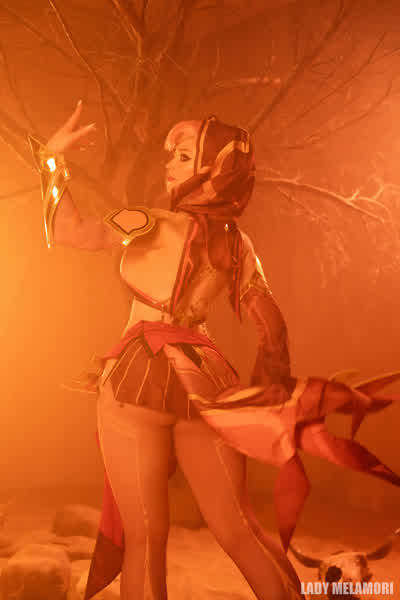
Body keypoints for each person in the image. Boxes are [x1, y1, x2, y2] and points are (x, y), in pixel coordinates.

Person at [29, 102, 400, 600]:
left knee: (145, 537)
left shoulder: (147, 220)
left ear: (211, 170)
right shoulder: (240, 246)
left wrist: (52, 160)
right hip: (206, 380)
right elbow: (272, 327)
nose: (168, 165)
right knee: (240, 528)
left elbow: (68, 231)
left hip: (136, 378)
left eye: (182, 156)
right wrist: (268, 393)